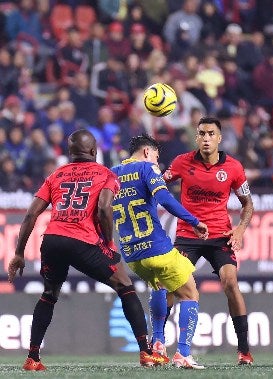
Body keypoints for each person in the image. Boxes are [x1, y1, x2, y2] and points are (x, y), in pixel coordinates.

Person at [7, 130, 169, 370]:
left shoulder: (56, 175)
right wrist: (109, 243)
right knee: (124, 286)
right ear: (94, 152)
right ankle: (146, 352)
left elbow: (31, 214)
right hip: (83, 240)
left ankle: (32, 358)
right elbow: (104, 208)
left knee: (49, 294)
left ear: (70, 153)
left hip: (52, 240)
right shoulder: (106, 173)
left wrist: (19, 253)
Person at [160, 116, 255, 365]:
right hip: (188, 235)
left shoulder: (233, 168)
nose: (206, 138)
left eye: (211, 134)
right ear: (196, 137)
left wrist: (240, 229)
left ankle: (244, 351)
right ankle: (157, 344)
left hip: (220, 236)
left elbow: (248, 204)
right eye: (202, 133)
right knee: (169, 284)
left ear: (219, 138)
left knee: (230, 281)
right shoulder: (182, 162)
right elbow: (157, 184)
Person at [111, 135, 209, 369]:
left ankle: (157, 344)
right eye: (156, 155)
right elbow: (164, 198)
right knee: (190, 293)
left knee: (160, 286)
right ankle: (183, 353)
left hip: (132, 255)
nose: (158, 161)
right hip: (156, 246)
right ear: (147, 152)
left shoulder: (111, 172)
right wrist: (194, 221)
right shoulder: (147, 168)